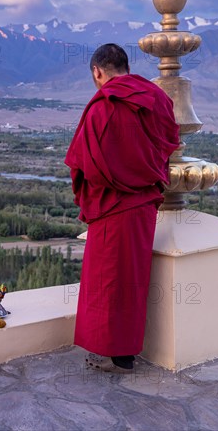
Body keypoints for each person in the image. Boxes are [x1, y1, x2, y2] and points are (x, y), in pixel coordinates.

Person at [64, 44, 180, 372]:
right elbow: (169, 140)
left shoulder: (103, 106)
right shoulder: (157, 99)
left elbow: (84, 164)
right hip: (143, 205)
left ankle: (115, 356)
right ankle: (124, 354)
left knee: (108, 282)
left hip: (111, 207)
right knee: (133, 279)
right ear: (125, 67)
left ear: (98, 72)